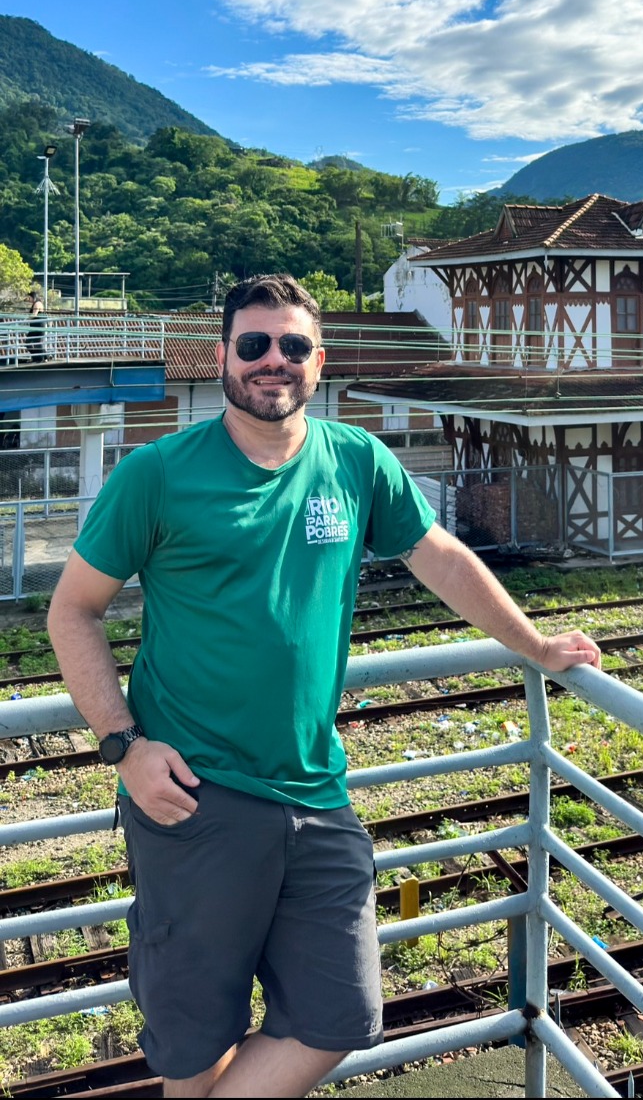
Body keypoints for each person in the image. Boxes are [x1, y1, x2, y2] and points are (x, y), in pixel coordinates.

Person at [47, 274, 601, 1100]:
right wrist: (124, 746)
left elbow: (438, 556)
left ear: (319, 360)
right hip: (193, 795)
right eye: (255, 345)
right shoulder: (158, 473)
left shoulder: (355, 460)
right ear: (224, 357)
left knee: (340, 1014)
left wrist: (536, 644)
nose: (274, 361)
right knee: (195, 1046)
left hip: (316, 789)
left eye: (294, 346)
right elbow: (73, 612)